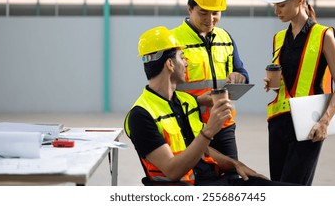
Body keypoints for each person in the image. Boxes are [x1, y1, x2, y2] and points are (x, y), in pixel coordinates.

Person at [124, 26, 295, 186]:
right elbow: (172, 170)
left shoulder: (187, 101)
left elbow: (204, 150)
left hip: (212, 180)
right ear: (169, 64)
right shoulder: (141, 116)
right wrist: (210, 129)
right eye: (182, 57)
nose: (186, 63)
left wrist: (235, 165)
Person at [262, 0, 335, 185]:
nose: (276, 10)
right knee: (278, 189)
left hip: (309, 126)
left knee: (294, 191)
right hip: (279, 124)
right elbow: (291, 81)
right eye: (275, 5)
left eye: (281, 4)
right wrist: (273, 85)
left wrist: (324, 122)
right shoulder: (279, 38)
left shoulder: (323, 35)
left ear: (300, 0)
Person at [171, 0, 249, 160]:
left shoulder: (226, 38)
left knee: (232, 178)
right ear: (190, 9)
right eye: (203, 12)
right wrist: (198, 101)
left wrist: (240, 77)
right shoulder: (173, 41)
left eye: (215, 13)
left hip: (224, 124)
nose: (210, 19)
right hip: (189, 126)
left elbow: (242, 71)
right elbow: (164, 92)